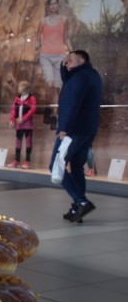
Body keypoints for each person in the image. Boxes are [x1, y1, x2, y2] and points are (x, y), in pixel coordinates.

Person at [50, 50, 103, 223]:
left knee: (56, 165)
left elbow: (72, 102)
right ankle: (77, 208)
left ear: (81, 60)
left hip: (73, 130)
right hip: (87, 129)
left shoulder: (80, 78)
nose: (66, 62)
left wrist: (64, 128)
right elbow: (68, 81)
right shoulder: (90, 75)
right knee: (77, 166)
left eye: (70, 60)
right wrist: (63, 66)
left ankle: (81, 201)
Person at [35, 0, 74, 106]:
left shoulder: (64, 20)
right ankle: (49, 108)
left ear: (57, 5)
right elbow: (38, 38)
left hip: (60, 55)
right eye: (51, 4)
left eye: (55, 3)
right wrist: (36, 49)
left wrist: (72, 52)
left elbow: (66, 37)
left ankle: (56, 113)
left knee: (59, 85)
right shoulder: (42, 21)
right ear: (48, 6)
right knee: (50, 82)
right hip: (45, 55)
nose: (53, 6)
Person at [7, 80, 36, 168]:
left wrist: (24, 118)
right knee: (18, 142)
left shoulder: (32, 98)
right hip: (18, 124)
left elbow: (33, 109)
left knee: (28, 142)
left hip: (27, 123)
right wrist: (11, 119)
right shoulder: (17, 98)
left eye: (20, 86)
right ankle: (16, 160)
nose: (19, 88)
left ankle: (27, 161)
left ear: (25, 88)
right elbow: (13, 109)